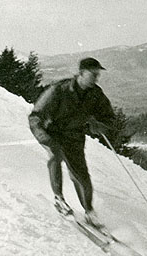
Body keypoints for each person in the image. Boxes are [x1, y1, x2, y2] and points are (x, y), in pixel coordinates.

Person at [29, 57, 116, 228]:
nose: (96, 79)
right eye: (93, 75)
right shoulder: (59, 90)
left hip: (74, 137)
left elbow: (109, 118)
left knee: (81, 174)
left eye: (98, 75)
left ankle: (89, 211)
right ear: (81, 73)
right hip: (51, 133)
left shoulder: (95, 94)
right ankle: (59, 199)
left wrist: (100, 126)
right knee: (56, 155)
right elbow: (35, 117)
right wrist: (44, 138)